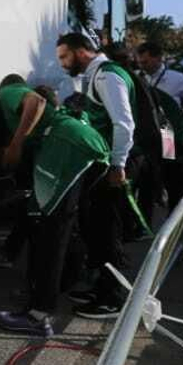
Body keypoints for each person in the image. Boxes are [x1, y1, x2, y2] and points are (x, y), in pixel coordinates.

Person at [0, 74, 109, 337]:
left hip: (70, 149)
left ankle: (39, 315)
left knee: (50, 234)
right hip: (82, 148)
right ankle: (53, 289)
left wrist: (15, 145)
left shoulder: (9, 89)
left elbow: (35, 102)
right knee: (62, 229)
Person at [56, 32, 141, 319]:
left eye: (64, 57)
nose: (62, 64)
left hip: (114, 165)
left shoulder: (106, 76)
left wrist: (117, 165)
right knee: (98, 228)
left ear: (81, 52)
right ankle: (102, 289)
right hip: (108, 162)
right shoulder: (96, 75)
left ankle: (111, 299)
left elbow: (123, 123)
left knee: (107, 231)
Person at [136, 41, 183, 211]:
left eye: (146, 62)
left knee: (172, 177)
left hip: (168, 135)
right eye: (140, 62)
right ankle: (143, 227)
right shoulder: (137, 78)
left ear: (158, 58)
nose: (142, 66)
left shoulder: (177, 79)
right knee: (146, 181)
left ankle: (174, 215)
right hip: (145, 138)